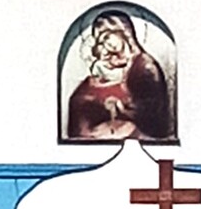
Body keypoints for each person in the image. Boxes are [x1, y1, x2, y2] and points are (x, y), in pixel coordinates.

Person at [64, 9, 174, 142]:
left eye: (105, 36)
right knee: (79, 101)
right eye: (98, 40)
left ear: (123, 32)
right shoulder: (115, 60)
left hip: (135, 135)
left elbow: (149, 115)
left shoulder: (144, 66)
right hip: (109, 131)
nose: (103, 44)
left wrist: (113, 105)